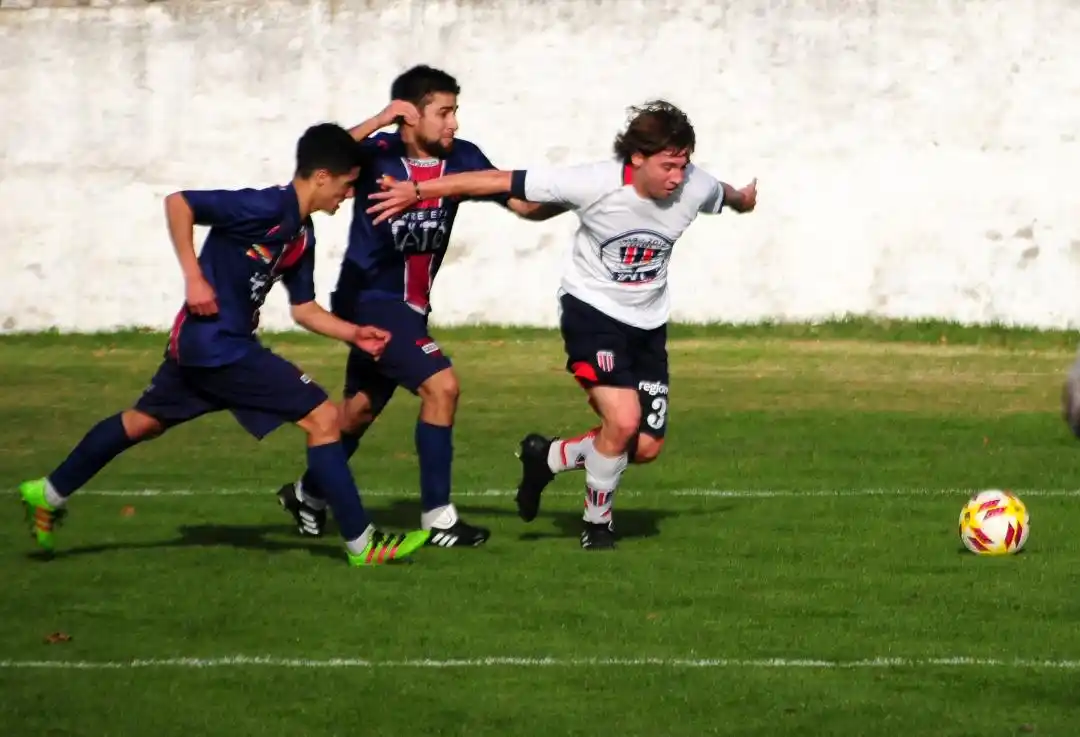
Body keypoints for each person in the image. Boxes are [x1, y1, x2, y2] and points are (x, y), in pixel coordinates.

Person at [17, 122, 431, 566]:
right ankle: (362, 543)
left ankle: (48, 492)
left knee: (143, 423)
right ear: (323, 177)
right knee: (324, 418)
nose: (348, 195)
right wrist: (194, 278)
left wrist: (354, 333)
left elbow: (304, 309)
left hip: (207, 348)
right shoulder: (263, 205)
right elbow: (179, 204)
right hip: (219, 346)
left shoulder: (302, 235)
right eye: (348, 185)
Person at [366, 100, 759, 549]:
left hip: (648, 326)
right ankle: (597, 526)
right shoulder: (592, 182)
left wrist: (744, 200)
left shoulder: (693, 185)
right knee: (624, 419)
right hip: (591, 314)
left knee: (646, 447)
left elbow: (724, 193)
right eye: (668, 165)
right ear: (637, 158)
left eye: (683, 164)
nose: (677, 176)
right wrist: (418, 191)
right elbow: (497, 180)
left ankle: (548, 457)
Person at [275, 65, 564, 547]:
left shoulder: (463, 157)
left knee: (358, 413)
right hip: (369, 299)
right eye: (444, 112)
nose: (454, 124)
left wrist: (580, 198)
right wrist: (381, 117)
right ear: (410, 116)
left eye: (456, 112)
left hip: (410, 308)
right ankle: (439, 518)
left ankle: (306, 492)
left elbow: (523, 205)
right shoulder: (376, 155)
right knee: (442, 387)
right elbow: (319, 162)